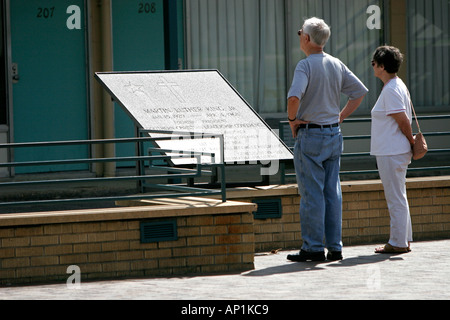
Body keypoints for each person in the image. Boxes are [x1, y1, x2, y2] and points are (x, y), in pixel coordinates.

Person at [286, 17, 368, 262]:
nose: (300, 35)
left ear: (307, 38)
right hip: (333, 134)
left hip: (310, 134)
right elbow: (359, 92)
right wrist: (339, 117)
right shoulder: (336, 63)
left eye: (301, 32)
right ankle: (335, 247)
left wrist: (292, 120)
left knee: (312, 193)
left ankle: (312, 247)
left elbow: (293, 98)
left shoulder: (305, 66)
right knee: (332, 191)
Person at [370, 46, 414, 254]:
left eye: (374, 63)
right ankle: (403, 239)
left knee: (395, 197)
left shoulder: (391, 89)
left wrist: (411, 141)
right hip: (393, 150)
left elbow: (402, 119)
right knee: (399, 195)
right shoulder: (395, 86)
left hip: (392, 150)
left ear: (382, 66)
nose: (372, 67)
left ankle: (397, 242)